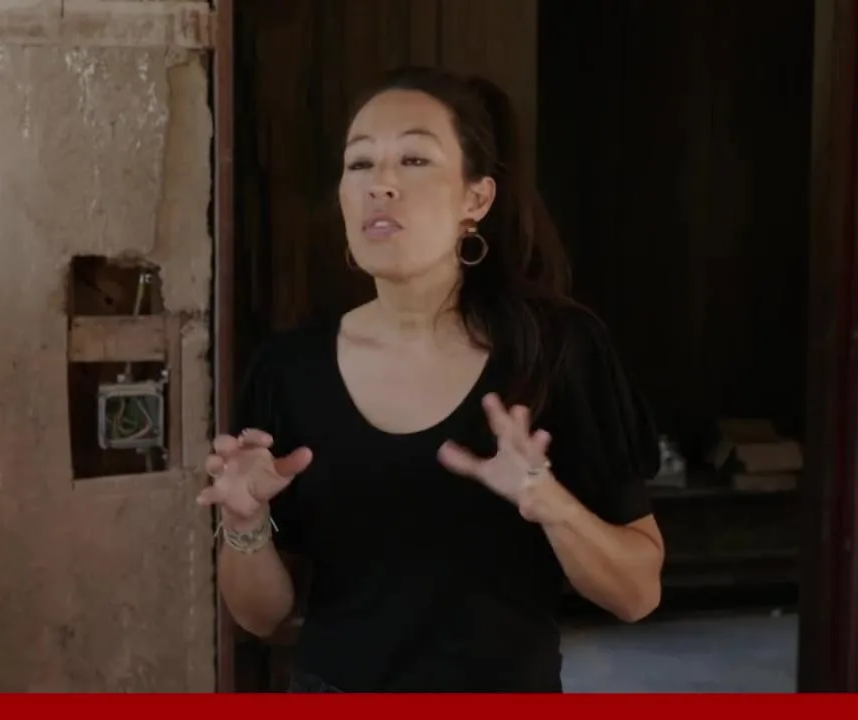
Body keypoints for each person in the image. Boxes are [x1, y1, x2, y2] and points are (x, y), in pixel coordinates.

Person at [198, 66, 665, 693]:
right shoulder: (289, 370)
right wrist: (245, 521)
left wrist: (549, 501)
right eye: (360, 163)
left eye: (414, 159)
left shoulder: (555, 351)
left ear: (477, 200)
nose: (380, 184)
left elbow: (637, 593)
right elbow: (261, 617)